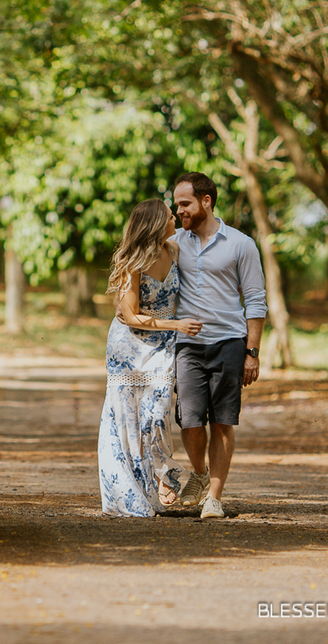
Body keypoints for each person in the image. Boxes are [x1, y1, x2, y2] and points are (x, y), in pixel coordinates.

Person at [171, 172, 267, 520]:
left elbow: (255, 300)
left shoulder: (241, 244)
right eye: (177, 204)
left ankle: (214, 496)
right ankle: (198, 473)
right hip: (188, 344)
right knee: (190, 420)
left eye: (185, 204)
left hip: (229, 341)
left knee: (223, 422)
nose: (178, 210)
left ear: (206, 202)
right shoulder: (174, 242)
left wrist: (252, 353)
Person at [98, 199, 202, 517]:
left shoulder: (175, 250)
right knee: (126, 417)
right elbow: (129, 316)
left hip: (161, 347)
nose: (175, 218)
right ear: (158, 223)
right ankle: (136, 489)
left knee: (156, 413)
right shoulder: (134, 262)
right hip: (129, 347)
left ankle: (163, 474)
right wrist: (176, 324)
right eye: (171, 216)